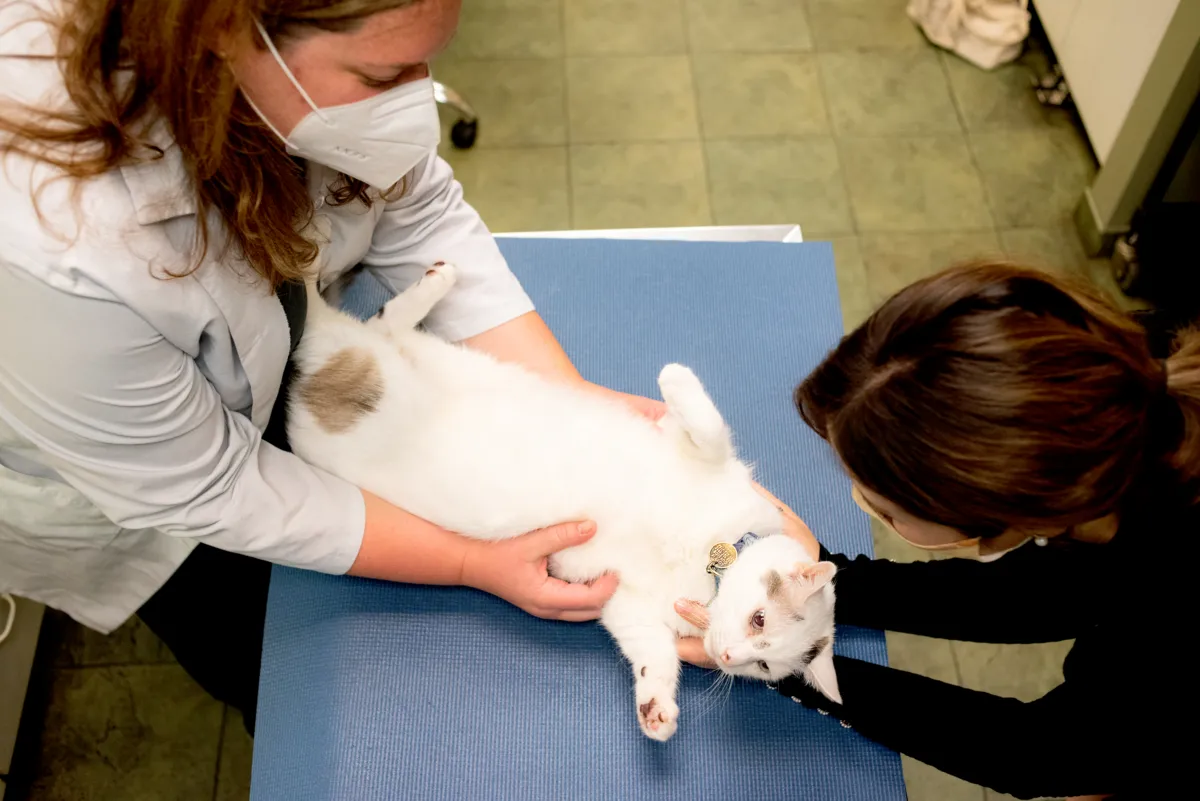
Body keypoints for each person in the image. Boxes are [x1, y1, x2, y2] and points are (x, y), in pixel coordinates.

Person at [0, 0, 656, 733]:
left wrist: (569, 410)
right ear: (223, 30)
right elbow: (213, 483)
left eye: (428, 62)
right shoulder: (48, 245)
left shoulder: (289, 85)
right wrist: (468, 560)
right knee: (283, 668)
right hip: (147, 488)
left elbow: (421, 209)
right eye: (383, 74)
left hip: (287, 353)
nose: (416, 94)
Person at [676, 262, 1197, 800]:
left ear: (1015, 514)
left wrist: (783, 661)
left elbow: (1048, 752)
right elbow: (1056, 590)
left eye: (884, 507)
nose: (860, 501)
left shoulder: (1166, 612)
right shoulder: (1113, 379)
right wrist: (831, 586)